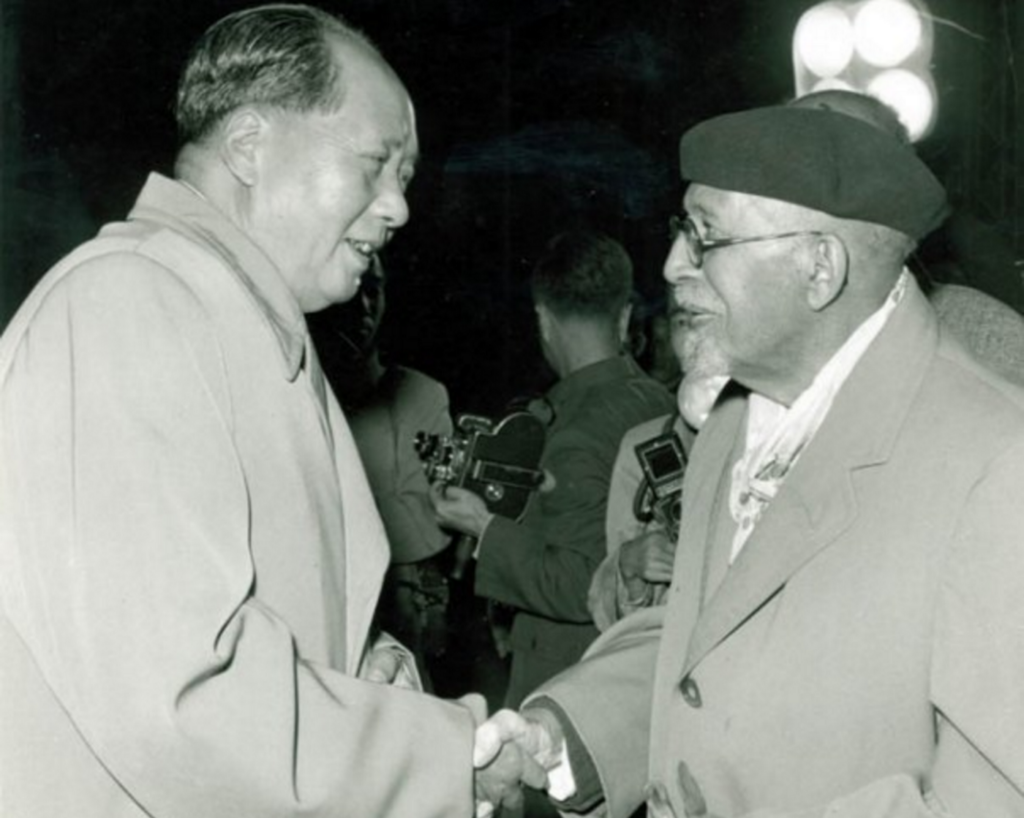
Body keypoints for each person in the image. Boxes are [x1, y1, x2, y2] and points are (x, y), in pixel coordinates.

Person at [0, 6, 528, 817]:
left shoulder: (237, 328)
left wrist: (370, 676)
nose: (398, 207)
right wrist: (440, 758)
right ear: (249, 146)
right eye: (376, 164)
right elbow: (179, 700)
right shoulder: (126, 304)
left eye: (405, 177)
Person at [474, 102, 1024, 818]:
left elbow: (998, 795)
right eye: (681, 230)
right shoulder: (737, 418)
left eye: (706, 236)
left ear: (819, 267)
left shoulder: (996, 459)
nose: (672, 266)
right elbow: (710, 642)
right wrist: (564, 735)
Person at [431, 229, 675, 711]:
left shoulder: (575, 427)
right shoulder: (659, 402)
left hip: (571, 680)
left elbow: (580, 582)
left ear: (543, 320)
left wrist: (481, 526)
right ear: (624, 316)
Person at [309, 255, 455, 689]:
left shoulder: (419, 394)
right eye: (356, 289)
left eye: (375, 290)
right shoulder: (300, 396)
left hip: (400, 623)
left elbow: (430, 521)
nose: (364, 306)